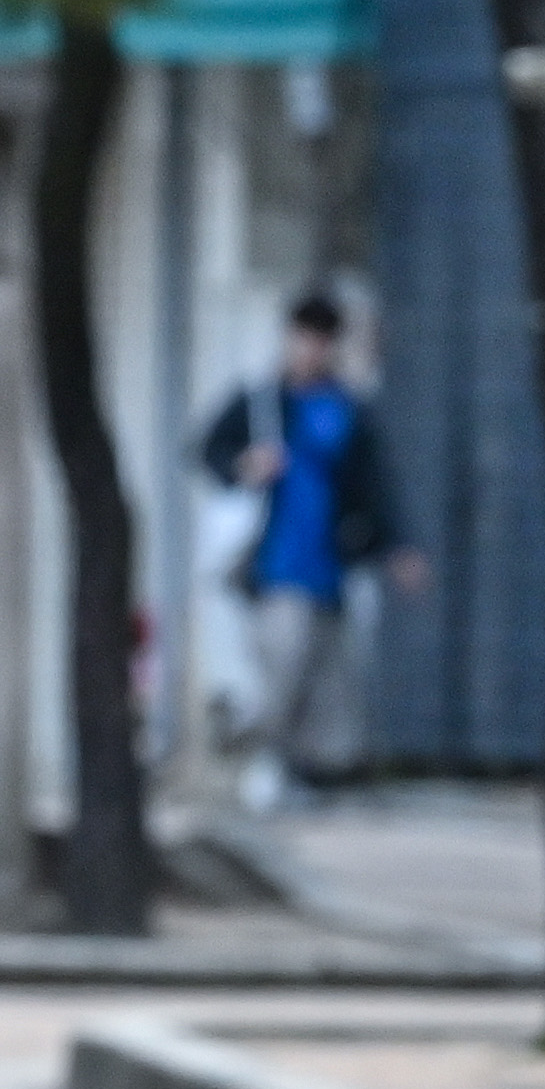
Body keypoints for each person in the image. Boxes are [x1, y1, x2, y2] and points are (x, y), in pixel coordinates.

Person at [198, 289, 421, 813]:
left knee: (328, 686)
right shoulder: (260, 402)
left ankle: (293, 774)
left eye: (321, 341)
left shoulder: (346, 410)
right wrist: (245, 465)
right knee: (282, 669)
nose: (310, 350)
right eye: (303, 338)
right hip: (274, 567)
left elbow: (374, 486)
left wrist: (396, 546)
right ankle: (258, 766)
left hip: (330, 569)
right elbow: (208, 449)